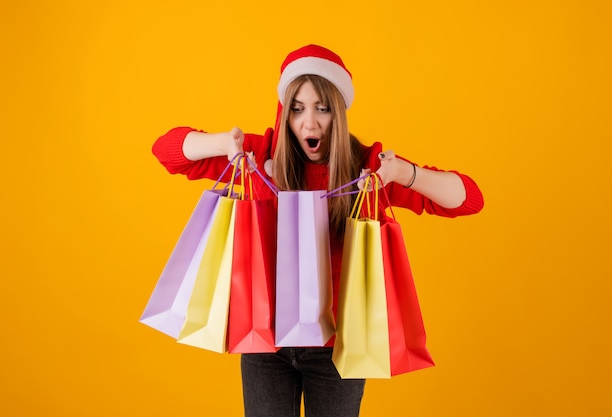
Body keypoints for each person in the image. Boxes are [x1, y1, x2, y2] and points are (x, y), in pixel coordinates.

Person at [152, 44, 484, 417]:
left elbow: (468, 199)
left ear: (338, 113)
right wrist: (224, 145)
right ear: (284, 113)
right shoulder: (259, 158)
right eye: (297, 109)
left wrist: (404, 174)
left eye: (321, 109)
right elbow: (165, 150)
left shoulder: (367, 169)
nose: (309, 123)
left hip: (338, 349)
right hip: (264, 344)